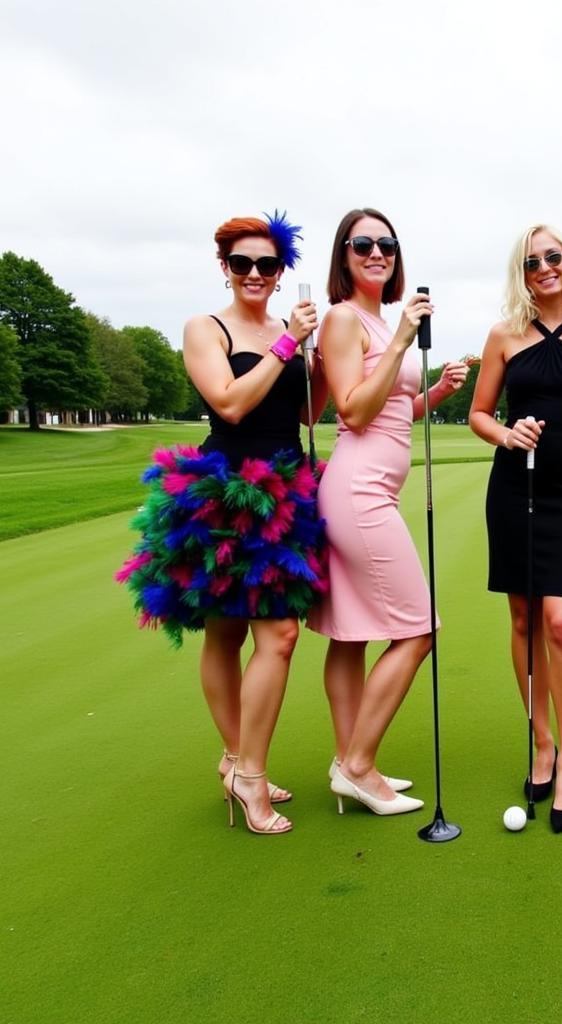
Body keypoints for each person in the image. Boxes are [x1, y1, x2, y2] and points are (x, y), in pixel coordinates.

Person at [117, 211, 326, 835]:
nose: (256, 273)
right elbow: (230, 404)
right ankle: (247, 770)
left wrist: (310, 363)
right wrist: (287, 343)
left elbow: (309, 412)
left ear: (281, 269)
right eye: (243, 263)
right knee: (243, 637)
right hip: (224, 492)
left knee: (266, 636)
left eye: (267, 264)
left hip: (283, 488)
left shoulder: (287, 330)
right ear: (225, 268)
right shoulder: (204, 328)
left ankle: (240, 765)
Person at [307, 208, 469, 817]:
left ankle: (348, 758)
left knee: (350, 635)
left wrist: (440, 393)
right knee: (419, 629)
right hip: (358, 491)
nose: (378, 252)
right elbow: (350, 412)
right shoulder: (345, 320)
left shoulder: (375, 320)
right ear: (343, 255)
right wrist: (403, 338)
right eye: (363, 244)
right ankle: (357, 765)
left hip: (373, 486)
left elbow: (394, 410)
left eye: (387, 244)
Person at [469, 224, 562, 833]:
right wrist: (506, 434)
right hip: (516, 488)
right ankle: (540, 742)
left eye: (553, 257)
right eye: (532, 261)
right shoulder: (503, 335)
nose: (544, 268)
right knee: (524, 620)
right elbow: (480, 413)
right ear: (522, 271)